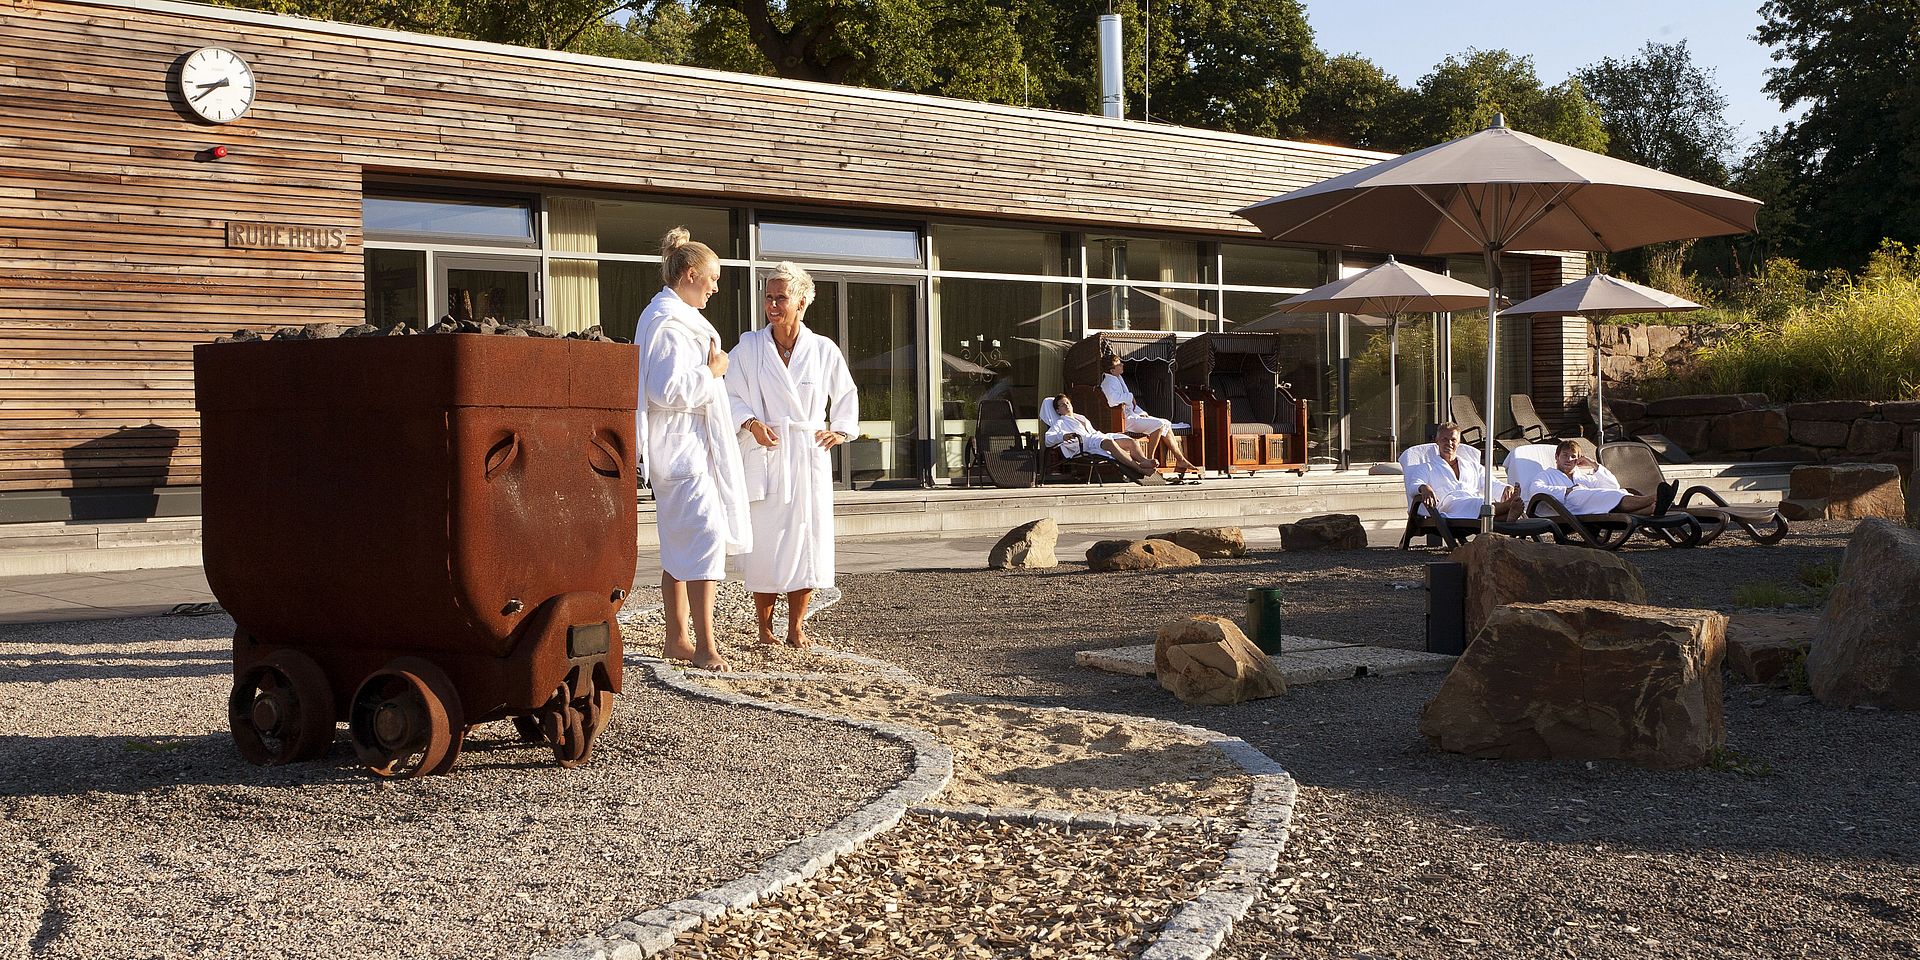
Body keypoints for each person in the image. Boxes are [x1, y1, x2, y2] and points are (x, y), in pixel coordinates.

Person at [635, 227, 751, 672]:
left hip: (686, 446)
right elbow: (665, 389)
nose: (716, 288)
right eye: (712, 279)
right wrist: (714, 372)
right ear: (689, 274)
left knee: (682, 546)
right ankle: (704, 647)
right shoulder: (668, 324)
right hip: (682, 449)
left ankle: (677, 640)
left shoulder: (673, 317)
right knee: (704, 541)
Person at [726, 262, 857, 649]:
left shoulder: (822, 349)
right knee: (765, 542)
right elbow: (728, 392)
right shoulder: (750, 347)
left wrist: (841, 430)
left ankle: (796, 626)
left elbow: (846, 393)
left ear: (801, 302)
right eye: (768, 296)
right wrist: (750, 423)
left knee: (807, 540)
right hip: (767, 453)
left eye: (780, 297)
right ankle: (765, 627)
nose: (771, 304)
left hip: (808, 453)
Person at [1098, 355, 1200, 476]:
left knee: (1166, 423)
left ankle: (1180, 460)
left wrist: (1141, 413)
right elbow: (1112, 400)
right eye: (1119, 364)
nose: (1122, 365)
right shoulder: (1108, 382)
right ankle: (1148, 460)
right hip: (1124, 419)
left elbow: (1131, 404)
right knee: (1159, 425)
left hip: (1132, 415)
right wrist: (1130, 396)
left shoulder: (1118, 378)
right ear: (1112, 370)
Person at [1406, 422, 1524, 522]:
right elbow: (1413, 485)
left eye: (1453, 440)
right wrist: (1424, 487)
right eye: (1444, 439)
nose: (1449, 443)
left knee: (1480, 502)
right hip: (1448, 507)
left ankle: (1507, 516)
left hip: (1473, 504)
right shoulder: (1427, 467)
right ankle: (1508, 506)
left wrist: (1506, 488)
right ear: (1437, 441)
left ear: (1459, 442)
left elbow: (1491, 483)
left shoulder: (1471, 466)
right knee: (1476, 503)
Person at [1527, 439, 1674, 516]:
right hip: (1570, 510)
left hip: (1596, 506)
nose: (1569, 459)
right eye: (1565, 455)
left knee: (1617, 492)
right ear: (1557, 457)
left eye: (1573, 457)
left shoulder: (1583, 477)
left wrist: (1594, 465)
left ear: (1578, 459)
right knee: (1601, 494)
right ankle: (1655, 498)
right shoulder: (1546, 475)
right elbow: (1535, 489)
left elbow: (1612, 486)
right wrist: (1567, 491)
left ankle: (1655, 508)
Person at [1044, 394, 1163, 481]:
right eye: (1062, 405)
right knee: (1109, 443)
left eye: (1067, 403)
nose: (1066, 405)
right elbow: (1048, 439)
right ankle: (1140, 469)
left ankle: (1143, 460)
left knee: (1130, 442)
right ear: (1058, 410)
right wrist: (1062, 436)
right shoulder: (1060, 423)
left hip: (1097, 436)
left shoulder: (1080, 417)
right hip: (1087, 444)